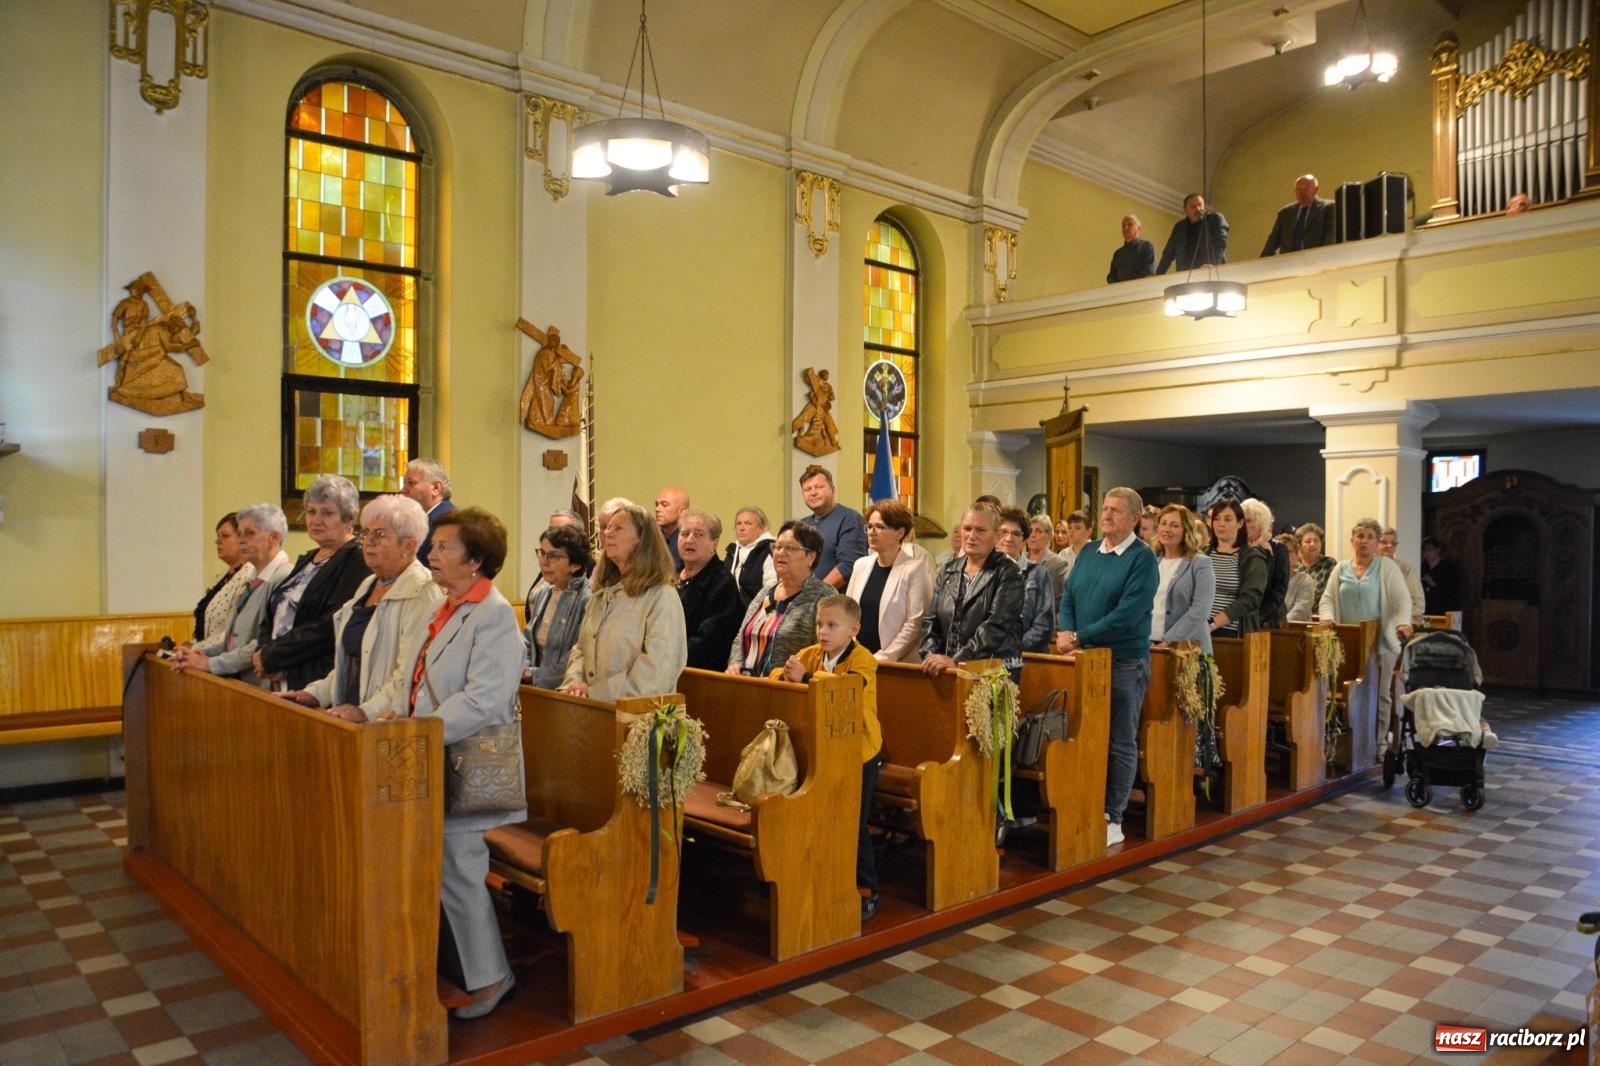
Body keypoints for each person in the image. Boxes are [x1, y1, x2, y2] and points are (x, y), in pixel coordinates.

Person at [406, 507, 525, 1020]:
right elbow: (417, 677)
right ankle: (465, 969)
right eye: (433, 545)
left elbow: (484, 699)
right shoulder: (447, 606)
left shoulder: (493, 614)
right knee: (447, 866)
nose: (431, 554)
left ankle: (492, 978)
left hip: (466, 759)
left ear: (475, 560)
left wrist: (419, 728)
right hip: (432, 751)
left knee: (459, 867)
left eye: (444, 547)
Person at [276, 494, 443, 721]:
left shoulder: (422, 591)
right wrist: (314, 693)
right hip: (349, 716)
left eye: (379, 534)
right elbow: (351, 662)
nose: (368, 542)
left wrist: (366, 711)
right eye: (365, 533)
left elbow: (409, 673)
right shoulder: (368, 584)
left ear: (408, 544)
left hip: (385, 724)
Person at [1055, 487, 1159, 848]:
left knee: (1119, 740)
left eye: (1116, 510)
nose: (1107, 515)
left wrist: (1079, 636)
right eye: (1105, 509)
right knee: (1083, 735)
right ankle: (1084, 802)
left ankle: (1114, 816)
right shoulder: (1089, 552)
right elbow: (1069, 597)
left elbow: (1127, 615)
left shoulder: (1142, 559)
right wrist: (1067, 631)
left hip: (1123, 661)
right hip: (1084, 660)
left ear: (1135, 519)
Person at [774, 595, 883, 920]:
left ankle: (867, 889)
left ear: (853, 629)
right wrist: (785, 675)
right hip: (824, 749)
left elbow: (848, 689)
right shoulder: (811, 654)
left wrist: (807, 678)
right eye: (819, 624)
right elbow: (780, 673)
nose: (823, 631)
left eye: (832, 625)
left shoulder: (863, 659)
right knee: (822, 817)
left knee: (853, 821)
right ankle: (826, 879)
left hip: (860, 752)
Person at [251, 475, 371, 691]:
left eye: (327, 513)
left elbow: (330, 624)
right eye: (311, 511)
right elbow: (272, 612)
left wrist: (274, 657)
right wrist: (263, 654)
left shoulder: (356, 559)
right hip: (277, 672)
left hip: (313, 678)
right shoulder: (308, 558)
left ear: (350, 518)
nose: (316, 520)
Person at [562, 502, 687, 701]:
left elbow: (656, 672)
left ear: (642, 540)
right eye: (607, 528)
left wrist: (597, 693)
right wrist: (574, 686)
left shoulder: (661, 596)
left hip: (637, 713)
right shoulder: (602, 594)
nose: (608, 533)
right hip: (590, 708)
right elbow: (581, 650)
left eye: (618, 528)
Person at [1318, 519, 1414, 761]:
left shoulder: (1386, 567)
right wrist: (1327, 616)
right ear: (1352, 541)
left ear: (1377, 542)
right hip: (1348, 641)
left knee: (1380, 694)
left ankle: (1378, 744)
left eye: (1370, 537)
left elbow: (1402, 599)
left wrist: (1403, 621)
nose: (1364, 541)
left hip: (1380, 642)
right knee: (1350, 694)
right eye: (1360, 536)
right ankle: (1347, 743)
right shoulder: (1341, 568)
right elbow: (1327, 599)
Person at [172, 503, 293, 682]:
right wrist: (195, 654)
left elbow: (265, 645)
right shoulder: (253, 577)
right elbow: (232, 641)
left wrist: (212, 664)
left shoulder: (285, 578)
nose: (241, 540)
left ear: (274, 538)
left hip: (262, 686)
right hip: (240, 682)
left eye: (249, 533)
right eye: (240, 533)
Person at [920, 507, 1024, 677]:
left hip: (991, 672)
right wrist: (931, 657)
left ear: (997, 536)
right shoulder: (948, 570)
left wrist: (958, 660)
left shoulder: (1009, 572)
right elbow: (930, 620)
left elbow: (996, 626)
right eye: (967, 529)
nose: (972, 536)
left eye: (980, 530)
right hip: (944, 671)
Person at [728, 521, 830, 676]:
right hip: (746, 684)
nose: (780, 553)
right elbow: (740, 637)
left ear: (811, 556)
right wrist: (734, 665)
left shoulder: (824, 596)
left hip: (786, 687)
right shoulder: (766, 591)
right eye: (777, 547)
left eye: (790, 548)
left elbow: (827, 652)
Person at [845, 499, 931, 663]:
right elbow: (847, 613)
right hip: (857, 658)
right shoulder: (861, 565)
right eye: (869, 526)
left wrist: (884, 657)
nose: (872, 532)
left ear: (900, 532)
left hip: (895, 663)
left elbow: (915, 623)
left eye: (880, 527)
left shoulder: (915, 569)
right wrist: (854, 650)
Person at [521, 526, 592, 689]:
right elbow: (527, 641)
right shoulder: (542, 592)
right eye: (542, 553)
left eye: (553, 556)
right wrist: (522, 668)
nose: (544, 561)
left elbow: (576, 656)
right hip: (532, 686)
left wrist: (532, 674)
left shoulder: (588, 599)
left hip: (564, 689)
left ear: (575, 565)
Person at [675, 508, 744, 671]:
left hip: (699, 672)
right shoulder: (670, 576)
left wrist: (670, 659)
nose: (689, 540)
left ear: (714, 544)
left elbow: (708, 641)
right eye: (685, 534)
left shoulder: (722, 583)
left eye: (699, 535)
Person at [1150, 504, 1216, 653]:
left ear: (1186, 530)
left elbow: (1200, 611)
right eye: (1163, 523)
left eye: (1174, 526)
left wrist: (1169, 640)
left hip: (1186, 647)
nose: (1167, 529)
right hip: (1150, 643)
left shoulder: (1200, 563)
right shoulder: (1152, 561)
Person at [1205, 498, 1269, 637]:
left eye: (1227, 519)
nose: (1221, 524)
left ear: (1240, 523)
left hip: (1232, 632)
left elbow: (1250, 599)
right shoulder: (1203, 554)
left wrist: (1212, 624)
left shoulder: (1252, 557)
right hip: (1197, 629)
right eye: (1216, 518)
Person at [799, 464, 867, 590]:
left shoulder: (850, 519)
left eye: (819, 487)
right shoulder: (801, 525)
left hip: (833, 598)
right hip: (801, 597)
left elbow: (848, 566)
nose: (813, 493)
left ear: (833, 490)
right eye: (807, 489)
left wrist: (815, 594)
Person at [997, 508, 1055, 656]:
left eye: (1016, 534)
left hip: (1027, 657)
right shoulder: (987, 573)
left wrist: (1011, 649)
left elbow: (1044, 626)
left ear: (1024, 540)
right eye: (1004, 532)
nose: (1009, 538)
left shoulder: (1038, 574)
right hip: (990, 657)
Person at [193, 513, 254, 646]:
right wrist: (190, 645)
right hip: (204, 652)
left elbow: (234, 633)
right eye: (218, 536)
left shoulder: (249, 577)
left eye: (225, 536)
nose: (218, 541)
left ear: (243, 539)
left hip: (223, 654)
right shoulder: (222, 577)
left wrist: (195, 649)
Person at [1260, 174, 1337, 256]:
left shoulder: (1329, 208)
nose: (1302, 192)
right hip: (1289, 260)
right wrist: (1263, 260)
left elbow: (1330, 238)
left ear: (1316, 189)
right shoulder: (1285, 213)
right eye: (1298, 189)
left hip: (1316, 258)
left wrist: (1325, 257)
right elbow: (1273, 241)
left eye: (1305, 189)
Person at [1242, 498, 1290, 629]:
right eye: (1241, 520)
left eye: (1248, 521)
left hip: (1269, 619)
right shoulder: (1237, 548)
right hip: (1240, 617)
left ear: (1261, 524)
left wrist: (1257, 618)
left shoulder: (1278, 549)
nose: (1243, 525)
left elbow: (1279, 590)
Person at [1157, 193, 1228, 274]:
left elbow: (1219, 243)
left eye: (1200, 205)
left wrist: (1211, 265)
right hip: (1185, 275)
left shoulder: (1215, 219)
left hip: (1211, 272)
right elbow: (1168, 253)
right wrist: (1158, 275)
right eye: (1193, 206)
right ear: (1186, 210)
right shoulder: (1180, 227)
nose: (1198, 208)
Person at [403, 458, 455, 566]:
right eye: (405, 484)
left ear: (436, 488)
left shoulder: (446, 522)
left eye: (411, 483)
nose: (404, 490)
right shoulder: (423, 519)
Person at [723, 505, 777, 608]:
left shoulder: (768, 550)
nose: (742, 528)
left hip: (757, 610)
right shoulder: (732, 552)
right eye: (739, 523)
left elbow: (771, 587)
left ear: (761, 528)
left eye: (748, 523)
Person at [1377, 526, 1427, 625]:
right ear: (1375, 544)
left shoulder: (1406, 570)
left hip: (1398, 625)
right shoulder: (1367, 568)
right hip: (1371, 623)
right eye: (1384, 542)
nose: (1389, 546)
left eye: (1393, 543)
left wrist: (1401, 619)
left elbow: (1419, 603)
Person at [1025, 513, 1069, 604]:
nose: (1032, 535)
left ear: (1050, 536)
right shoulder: (1019, 559)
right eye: (1030, 531)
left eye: (1038, 531)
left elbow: (1052, 602)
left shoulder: (1058, 564)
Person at [1296, 522, 1338, 613]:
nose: (1312, 544)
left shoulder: (1329, 563)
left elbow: (1332, 595)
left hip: (1322, 616)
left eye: (1316, 541)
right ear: (1300, 544)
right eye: (1308, 541)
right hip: (1297, 616)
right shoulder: (1295, 566)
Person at [1420, 537, 1464, 615]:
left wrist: (1433, 584)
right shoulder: (1422, 567)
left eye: (1430, 550)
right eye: (1425, 551)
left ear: (1437, 550)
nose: (1427, 553)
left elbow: (1453, 590)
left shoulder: (1448, 567)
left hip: (1445, 608)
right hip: (1427, 609)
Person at [1106, 214, 1156, 283]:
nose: (1126, 227)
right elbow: (1111, 277)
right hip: (1120, 289)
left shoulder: (1147, 247)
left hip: (1140, 288)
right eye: (1123, 226)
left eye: (1130, 224)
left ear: (1138, 229)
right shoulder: (1117, 254)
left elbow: (1149, 271)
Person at [654, 486, 689, 571]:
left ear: (682, 512)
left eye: (664, 505)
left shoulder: (689, 543)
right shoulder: (651, 539)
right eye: (657, 505)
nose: (657, 509)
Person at [1059, 509, 1093, 578]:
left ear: (1089, 531)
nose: (1072, 531)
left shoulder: (1097, 553)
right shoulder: (1062, 555)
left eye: (1077, 528)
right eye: (1070, 528)